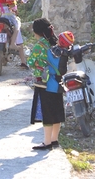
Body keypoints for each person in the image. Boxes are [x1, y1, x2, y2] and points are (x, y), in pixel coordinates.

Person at [27, 20, 72, 150]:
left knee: (47, 113)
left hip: (44, 83)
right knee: (57, 111)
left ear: (37, 32)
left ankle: (46, 142)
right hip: (58, 82)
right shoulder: (54, 43)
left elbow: (30, 62)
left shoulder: (39, 46)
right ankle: (54, 140)